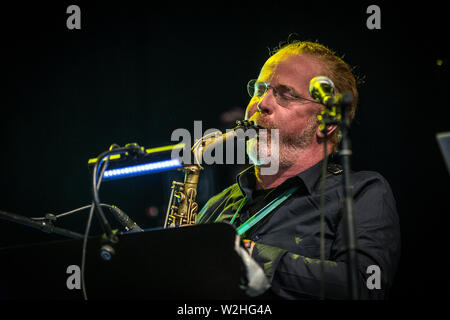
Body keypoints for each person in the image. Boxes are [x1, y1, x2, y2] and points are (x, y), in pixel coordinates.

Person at [196, 40, 400, 299]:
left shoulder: (360, 192)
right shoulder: (218, 203)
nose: (261, 104)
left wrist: (248, 255)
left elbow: (364, 285)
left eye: (286, 94)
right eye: (259, 89)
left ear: (326, 124)